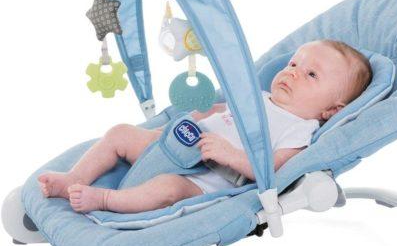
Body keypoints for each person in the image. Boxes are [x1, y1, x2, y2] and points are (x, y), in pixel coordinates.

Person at [38, 40, 372, 214]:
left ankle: (106, 200)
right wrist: (198, 115)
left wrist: (231, 156)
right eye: (294, 63)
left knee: (167, 189)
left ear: (332, 110)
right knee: (121, 133)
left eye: (311, 74)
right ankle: (73, 178)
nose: (293, 72)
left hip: (204, 178)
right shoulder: (259, 97)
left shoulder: (300, 129)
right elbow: (222, 113)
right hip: (178, 145)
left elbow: (273, 169)